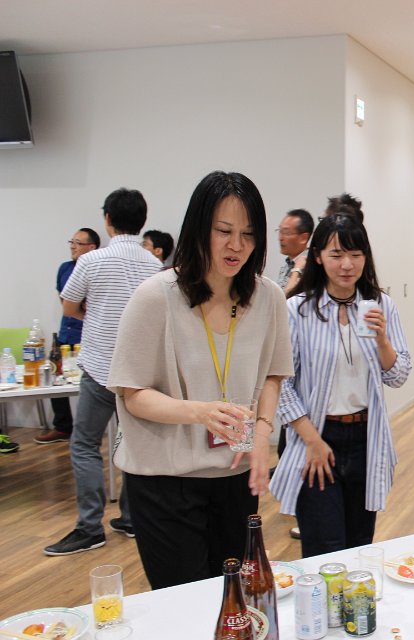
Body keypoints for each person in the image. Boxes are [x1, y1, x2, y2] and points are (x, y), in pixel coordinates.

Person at [107, 171, 293, 589]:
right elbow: (133, 394)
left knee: (234, 598)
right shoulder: (155, 296)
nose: (236, 245)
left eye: (248, 234)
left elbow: (273, 375)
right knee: (184, 603)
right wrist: (200, 412)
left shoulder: (268, 298)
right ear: (197, 229)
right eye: (224, 231)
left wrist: (262, 433)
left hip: (235, 476)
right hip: (165, 480)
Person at [269, 213, 411, 556]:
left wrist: (382, 340)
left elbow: (398, 375)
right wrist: (313, 441)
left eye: (355, 255)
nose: (347, 265)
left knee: (359, 547)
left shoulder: (380, 305)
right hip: (317, 438)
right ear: (318, 256)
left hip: (366, 438)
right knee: (325, 551)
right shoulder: (297, 310)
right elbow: (281, 385)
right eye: (336, 255)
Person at [44, 190, 162, 556]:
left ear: (108, 220)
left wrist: (93, 315)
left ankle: (89, 527)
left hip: (100, 368)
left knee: (84, 444)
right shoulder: (155, 265)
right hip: (140, 373)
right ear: (142, 221)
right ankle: (131, 518)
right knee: (134, 445)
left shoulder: (92, 260)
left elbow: (68, 306)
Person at [34, 227, 101, 444]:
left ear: (92, 247)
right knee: (54, 377)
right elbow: (65, 300)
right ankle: (62, 426)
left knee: (89, 384)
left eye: (78, 243)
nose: (73, 246)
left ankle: (92, 432)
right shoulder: (65, 268)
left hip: (88, 336)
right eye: (71, 242)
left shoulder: (96, 267)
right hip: (65, 333)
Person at [277, 208, 314, 298]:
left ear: (304, 238)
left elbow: (288, 298)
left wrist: (297, 270)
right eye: (280, 231)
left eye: (286, 233)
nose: (280, 238)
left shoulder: (308, 264)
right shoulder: (289, 262)